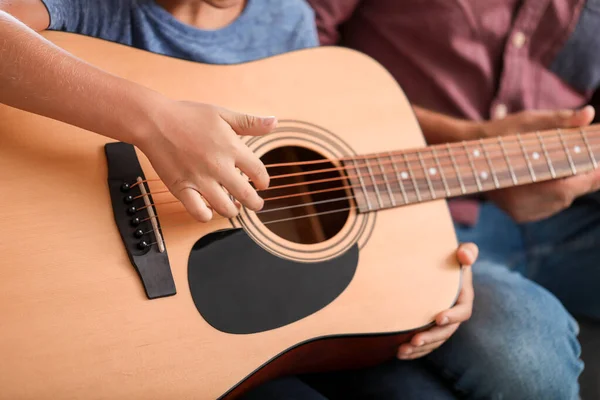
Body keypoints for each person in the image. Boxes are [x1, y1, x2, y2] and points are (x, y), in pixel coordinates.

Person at [0, 1, 480, 399]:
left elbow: (326, 158)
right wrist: (151, 120)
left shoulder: (286, 16)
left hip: (212, 321)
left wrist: (436, 267)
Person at [255, 0, 599, 398]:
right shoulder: (284, 18)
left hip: (563, 218)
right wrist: (470, 142)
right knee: (530, 362)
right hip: (390, 197)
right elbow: (286, 57)